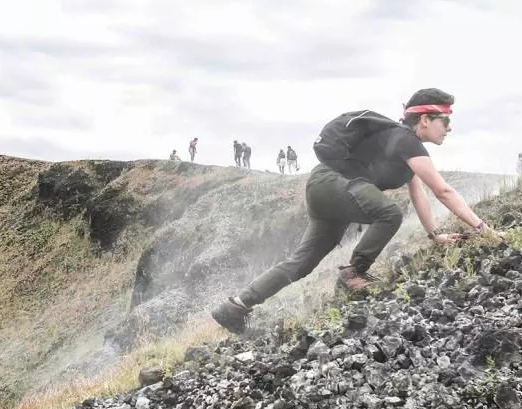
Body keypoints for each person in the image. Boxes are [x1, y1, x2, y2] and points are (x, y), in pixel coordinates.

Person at [211, 88, 503, 334]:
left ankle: (235, 306)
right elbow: (445, 191)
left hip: (325, 187)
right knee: (389, 214)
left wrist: (434, 235)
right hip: (333, 183)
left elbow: (421, 195)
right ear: (425, 119)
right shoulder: (405, 140)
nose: (449, 129)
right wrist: (485, 231)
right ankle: (353, 273)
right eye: (445, 121)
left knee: (302, 262)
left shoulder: (404, 147)